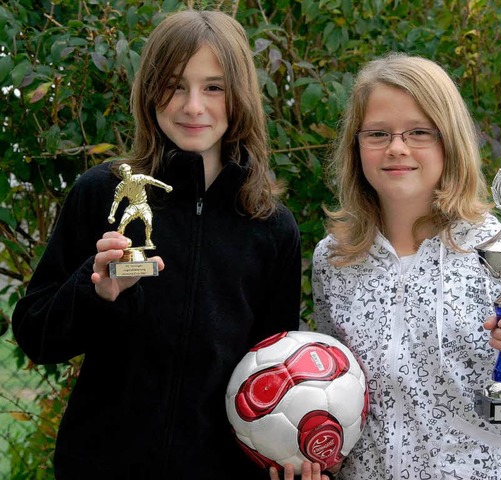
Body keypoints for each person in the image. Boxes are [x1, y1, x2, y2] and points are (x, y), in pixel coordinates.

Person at [12, 9, 302, 480]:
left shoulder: (271, 228)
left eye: (214, 86)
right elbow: (33, 334)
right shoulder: (99, 193)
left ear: (241, 95)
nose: (193, 106)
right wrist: (94, 292)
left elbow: (272, 377)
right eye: (174, 84)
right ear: (149, 92)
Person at [310, 53, 501, 479]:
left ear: (449, 140)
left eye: (419, 132)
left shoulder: (497, 252)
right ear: (355, 145)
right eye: (378, 133)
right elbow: (327, 392)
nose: (397, 147)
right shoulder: (335, 259)